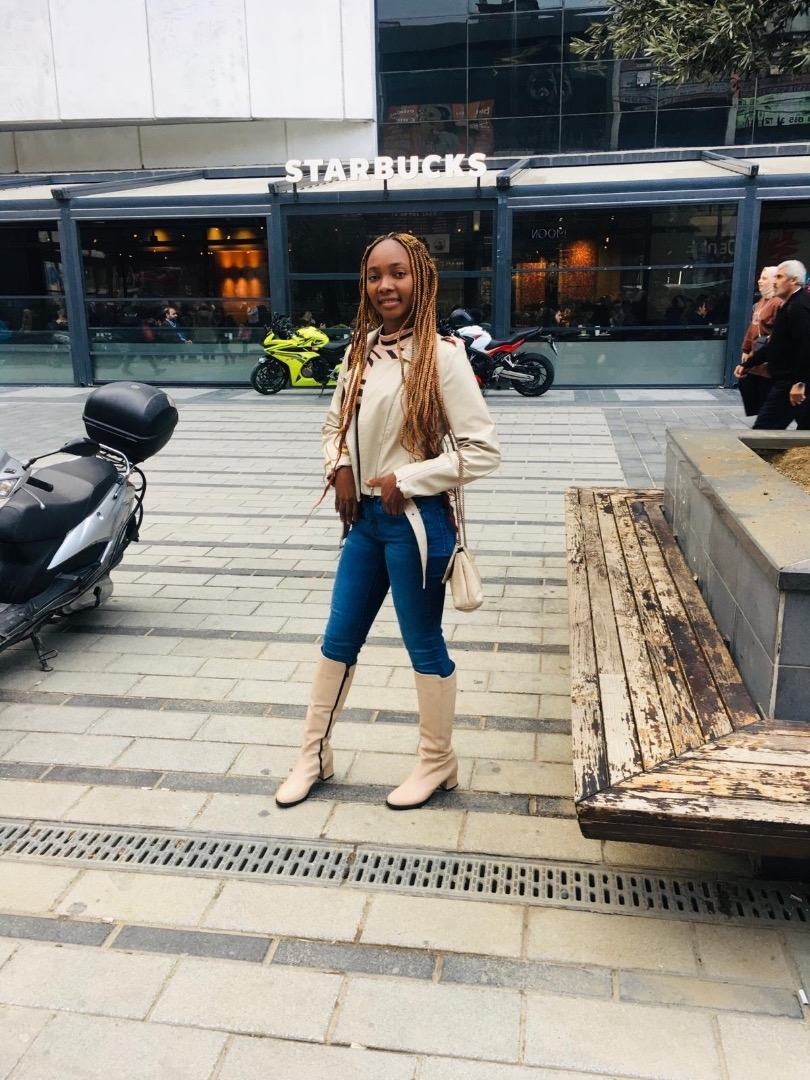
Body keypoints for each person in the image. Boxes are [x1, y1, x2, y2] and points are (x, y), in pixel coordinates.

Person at [275, 232, 500, 811]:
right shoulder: (360, 351)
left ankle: (437, 761)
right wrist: (341, 467)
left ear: (420, 278)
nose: (385, 285)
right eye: (375, 275)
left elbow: (481, 451)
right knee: (337, 639)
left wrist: (409, 477)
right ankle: (314, 755)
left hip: (417, 524)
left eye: (398, 273)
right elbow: (334, 426)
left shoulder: (442, 356)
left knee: (422, 643)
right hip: (366, 524)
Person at [752, 259, 810, 430]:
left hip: (791, 383)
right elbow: (776, 343)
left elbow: (805, 346)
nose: (774, 281)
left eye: (779, 277)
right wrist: (749, 363)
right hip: (789, 380)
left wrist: (800, 382)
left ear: (794, 280)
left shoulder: (799, 307)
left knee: (763, 431)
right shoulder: (788, 305)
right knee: (804, 430)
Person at [734, 266, 781, 417]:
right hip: (756, 355)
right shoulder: (761, 302)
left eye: (764, 278)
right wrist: (746, 349)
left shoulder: (779, 303)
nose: (760, 281)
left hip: (768, 358)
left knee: (766, 394)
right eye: (760, 278)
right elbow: (753, 327)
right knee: (747, 384)